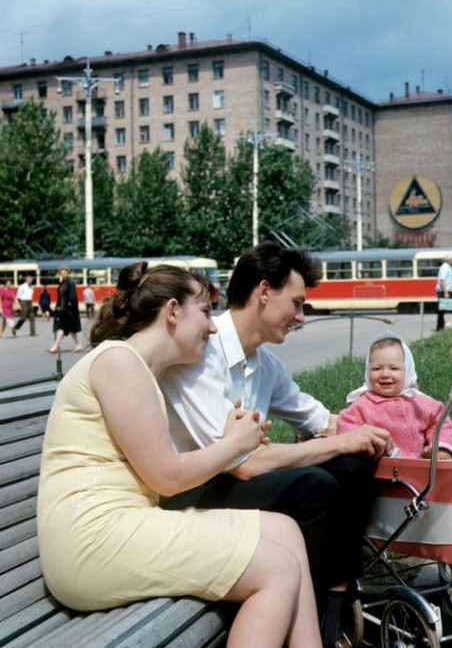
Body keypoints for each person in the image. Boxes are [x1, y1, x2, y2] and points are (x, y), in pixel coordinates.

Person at [37, 261, 321, 648]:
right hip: (91, 542)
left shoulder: (132, 366)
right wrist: (235, 445)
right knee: (278, 569)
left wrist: (233, 442)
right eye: (205, 312)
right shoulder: (118, 362)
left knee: (285, 531)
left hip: (116, 528)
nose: (213, 325)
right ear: (172, 311)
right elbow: (166, 477)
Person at [159, 242, 392, 647]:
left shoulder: (264, 364)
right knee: (315, 486)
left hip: (233, 478)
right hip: (189, 493)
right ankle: (318, 617)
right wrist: (338, 444)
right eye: (297, 303)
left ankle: (335, 602)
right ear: (264, 292)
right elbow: (242, 463)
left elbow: (323, 421)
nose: (301, 317)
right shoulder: (201, 355)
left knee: (353, 467)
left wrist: (389, 430)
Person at [337, 333, 452, 459]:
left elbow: (439, 423)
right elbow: (346, 426)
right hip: (379, 470)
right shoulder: (363, 405)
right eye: (377, 369)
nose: (385, 374)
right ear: (367, 371)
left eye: (394, 368)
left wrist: (440, 448)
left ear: (408, 371)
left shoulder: (420, 403)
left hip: (421, 469)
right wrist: (365, 447)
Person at [47, 266, 83, 354]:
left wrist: (69, 306)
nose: (63, 274)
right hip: (62, 309)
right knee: (65, 328)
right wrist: (57, 307)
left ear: (68, 273)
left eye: (64, 273)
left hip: (69, 310)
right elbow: (60, 297)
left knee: (65, 328)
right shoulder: (61, 283)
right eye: (61, 273)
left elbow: (73, 297)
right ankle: (77, 345)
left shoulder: (71, 284)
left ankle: (56, 346)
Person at [436, 255, 452, 331]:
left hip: (446, 291)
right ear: (449, 260)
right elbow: (442, 280)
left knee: (442, 310)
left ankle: (440, 327)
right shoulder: (445, 268)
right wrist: (446, 292)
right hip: (445, 291)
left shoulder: (447, 267)